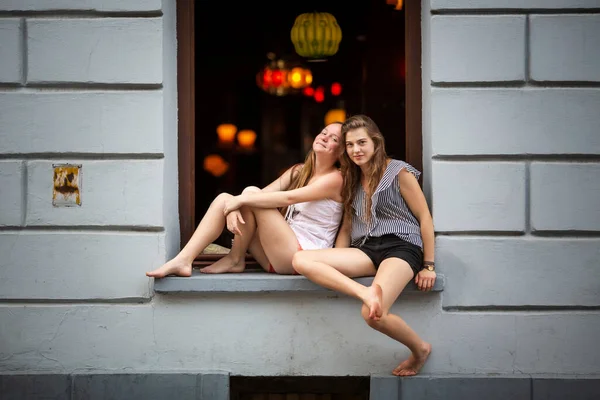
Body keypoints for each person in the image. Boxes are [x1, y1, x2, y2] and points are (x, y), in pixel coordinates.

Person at [292, 114, 436, 376]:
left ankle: (420, 349)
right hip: (366, 249)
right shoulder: (351, 180)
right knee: (301, 260)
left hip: (401, 248)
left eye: (361, 143)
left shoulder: (399, 172)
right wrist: (336, 259)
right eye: (349, 145)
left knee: (373, 315)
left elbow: (425, 217)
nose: (356, 150)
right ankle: (365, 292)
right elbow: (347, 227)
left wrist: (428, 265)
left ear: (375, 142)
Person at [146, 122, 344, 278]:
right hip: (274, 257)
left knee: (250, 194)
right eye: (324, 132)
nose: (325, 137)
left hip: (302, 257)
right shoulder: (299, 171)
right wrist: (233, 205)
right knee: (227, 198)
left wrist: (240, 202)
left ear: (341, 152)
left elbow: (288, 197)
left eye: (333, 138)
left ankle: (234, 258)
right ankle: (185, 259)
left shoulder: (336, 179)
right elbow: (258, 197)